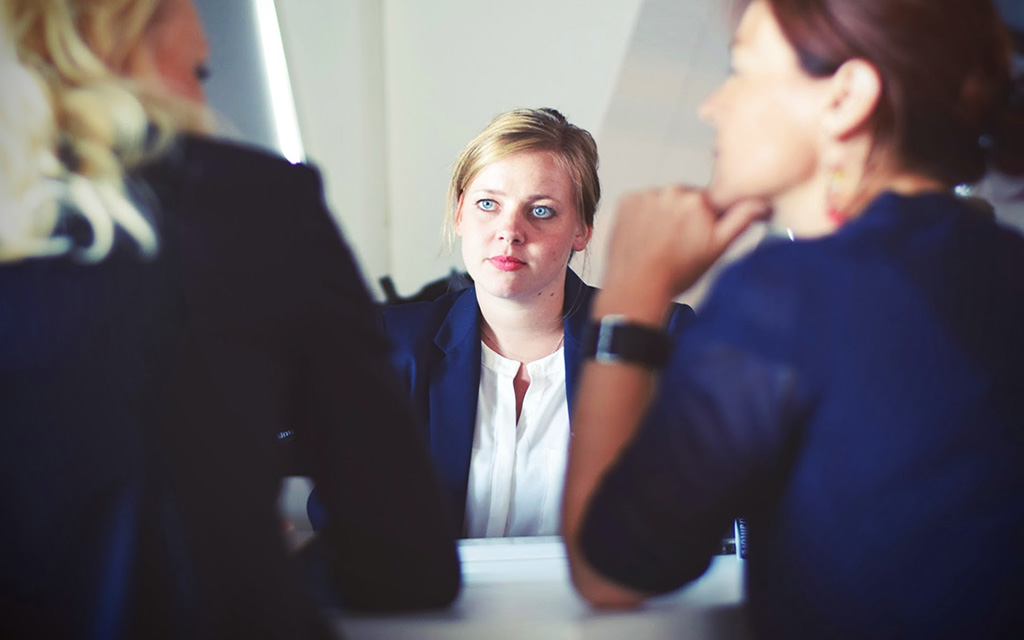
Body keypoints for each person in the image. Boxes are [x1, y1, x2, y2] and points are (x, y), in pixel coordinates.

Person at [562, 0, 1024, 638]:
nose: (712, 106)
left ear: (845, 96)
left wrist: (632, 296)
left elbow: (608, 570)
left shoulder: (787, 294)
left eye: (741, 70)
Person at [0, 1, 459, 638]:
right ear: (125, 37)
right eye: (201, 73)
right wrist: (241, 548)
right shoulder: (254, 203)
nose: (202, 107)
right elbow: (406, 560)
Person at [378, 108, 695, 538]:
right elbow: (345, 524)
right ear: (459, 215)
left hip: (598, 604)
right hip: (433, 605)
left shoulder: (656, 337)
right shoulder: (391, 344)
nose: (509, 231)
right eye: (487, 204)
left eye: (541, 211)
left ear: (582, 230)